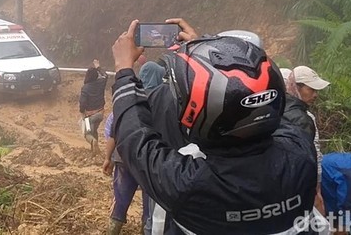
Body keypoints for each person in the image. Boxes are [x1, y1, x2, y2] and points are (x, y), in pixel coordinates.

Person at [110, 18, 320, 234]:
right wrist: (201, 47)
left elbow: (134, 136)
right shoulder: (302, 155)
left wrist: (124, 68)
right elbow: (272, 106)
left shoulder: (188, 185)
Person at [102, 62, 164, 235]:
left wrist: (108, 158)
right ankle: (145, 230)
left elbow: (114, 131)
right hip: (149, 162)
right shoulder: (164, 100)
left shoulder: (129, 98)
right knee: (149, 204)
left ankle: (113, 230)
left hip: (123, 157)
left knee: (121, 198)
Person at [284, 66, 330, 215]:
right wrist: (316, 191)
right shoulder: (304, 118)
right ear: (296, 87)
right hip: (301, 186)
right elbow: (313, 156)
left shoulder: (272, 111)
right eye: (311, 89)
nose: (315, 95)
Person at [79, 59, 108, 155]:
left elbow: (82, 103)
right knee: (94, 130)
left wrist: (82, 112)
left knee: (87, 133)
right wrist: (98, 67)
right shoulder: (100, 83)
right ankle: (95, 150)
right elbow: (105, 75)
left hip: (88, 117)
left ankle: (93, 142)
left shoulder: (85, 88)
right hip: (100, 114)